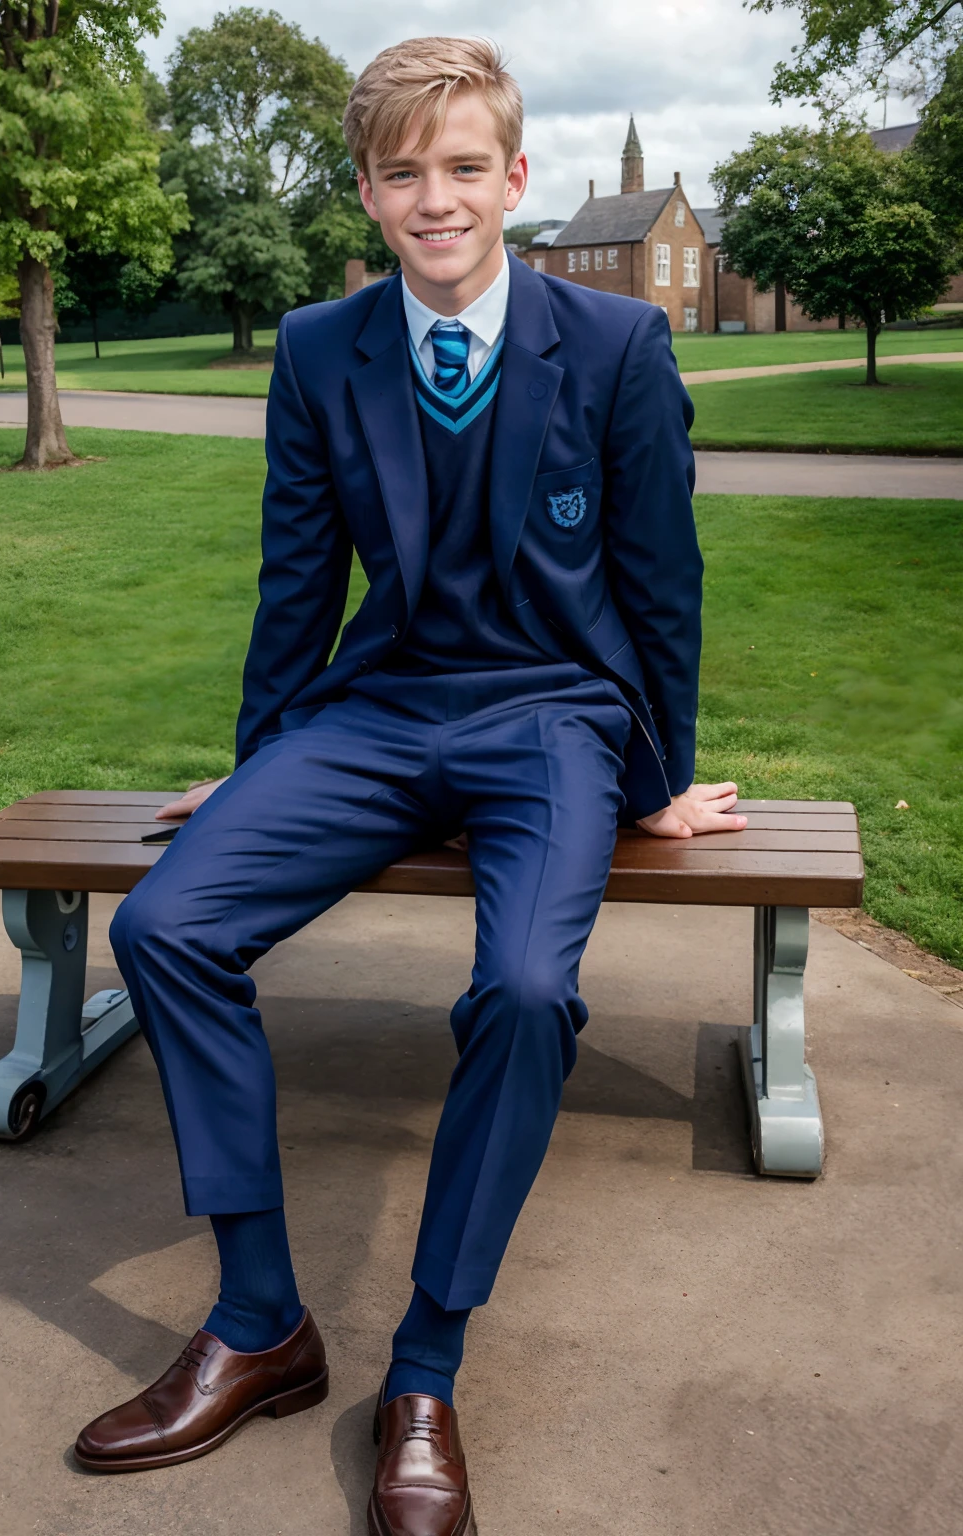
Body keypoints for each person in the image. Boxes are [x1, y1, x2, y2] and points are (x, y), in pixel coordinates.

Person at [73, 36, 746, 1536]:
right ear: (369, 193)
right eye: (400, 173)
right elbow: (297, 579)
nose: (433, 199)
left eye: (461, 168)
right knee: (168, 925)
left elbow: (662, 586)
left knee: (520, 989)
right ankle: (260, 1324)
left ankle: (425, 1370)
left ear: (512, 179)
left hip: (555, 717)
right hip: (374, 712)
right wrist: (254, 775)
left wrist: (659, 780)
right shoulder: (323, 349)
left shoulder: (618, 347)